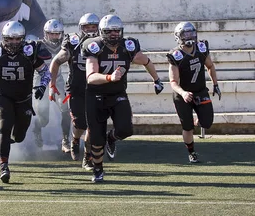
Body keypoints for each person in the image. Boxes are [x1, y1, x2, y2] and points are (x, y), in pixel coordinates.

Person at [82, 14, 162, 183]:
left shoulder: (128, 46)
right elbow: (90, 77)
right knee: (96, 138)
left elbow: (146, 61)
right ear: (102, 32)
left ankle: (111, 138)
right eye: (109, 31)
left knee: (126, 129)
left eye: (116, 31)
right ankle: (98, 169)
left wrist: (156, 80)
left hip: (117, 94)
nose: (113, 35)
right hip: (95, 95)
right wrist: (109, 78)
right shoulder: (94, 46)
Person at [0, 21, 52, 183]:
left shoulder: (30, 51)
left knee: (19, 136)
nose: (14, 43)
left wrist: (43, 87)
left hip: (24, 99)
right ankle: (4, 167)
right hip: (2, 96)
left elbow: (45, 72)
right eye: (10, 39)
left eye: (18, 39)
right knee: (4, 127)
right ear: (3, 38)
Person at [50, 13, 99, 169]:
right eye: (87, 27)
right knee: (80, 124)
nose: (91, 30)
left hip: (96, 88)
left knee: (93, 124)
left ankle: (87, 157)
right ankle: (75, 139)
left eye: (93, 27)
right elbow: (56, 62)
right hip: (76, 89)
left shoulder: (103, 43)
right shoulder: (74, 42)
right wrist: (52, 85)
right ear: (81, 28)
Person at [167, 22, 220, 163]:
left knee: (207, 122)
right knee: (187, 127)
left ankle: (197, 121)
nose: (190, 36)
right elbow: (173, 82)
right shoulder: (176, 55)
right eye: (186, 34)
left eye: (191, 33)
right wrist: (183, 93)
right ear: (179, 36)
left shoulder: (201, 48)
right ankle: (192, 152)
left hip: (200, 91)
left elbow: (210, 65)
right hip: (182, 95)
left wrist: (215, 83)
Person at [32, 19, 72, 153]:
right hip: (40, 81)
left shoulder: (65, 44)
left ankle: (66, 140)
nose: (55, 37)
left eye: (57, 34)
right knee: (44, 118)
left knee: (66, 109)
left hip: (58, 80)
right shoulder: (37, 45)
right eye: (52, 34)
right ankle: (37, 128)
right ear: (45, 33)